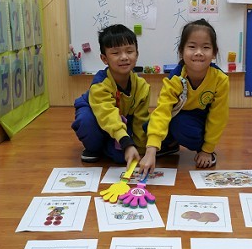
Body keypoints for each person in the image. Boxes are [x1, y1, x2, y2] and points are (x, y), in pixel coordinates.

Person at [139, 18, 229, 177]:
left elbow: (218, 117)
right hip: (177, 115)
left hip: (197, 123)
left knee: (181, 125)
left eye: (206, 47)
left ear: (214, 53)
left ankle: (202, 149)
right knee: (149, 127)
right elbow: (162, 111)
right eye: (192, 47)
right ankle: (170, 145)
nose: (199, 52)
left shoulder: (220, 80)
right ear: (181, 51)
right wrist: (151, 150)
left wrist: (207, 149)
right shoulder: (175, 79)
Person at [71, 24, 150, 170]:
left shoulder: (142, 86)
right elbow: (107, 114)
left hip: (120, 118)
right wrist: (126, 142)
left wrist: (140, 150)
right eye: (115, 53)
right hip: (95, 112)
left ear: (137, 54)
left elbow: (140, 121)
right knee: (86, 122)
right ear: (104, 59)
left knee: (121, 157)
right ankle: (94, 147)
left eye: (129, 51)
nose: (124, 57)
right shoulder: (100, 84)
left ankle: (110, 142)